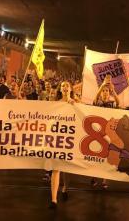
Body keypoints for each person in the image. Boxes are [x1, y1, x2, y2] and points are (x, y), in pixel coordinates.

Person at [49, 81, 74, 209]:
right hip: (57, 138)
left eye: (67, 85)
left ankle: (65, 188)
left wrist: (75, 105)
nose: (65, 87)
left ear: (70, 89)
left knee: (66, 169)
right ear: (60, 89)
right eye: (63, 85)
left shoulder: (76, 103)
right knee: (56, 167)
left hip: (71, 139)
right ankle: (54, 200)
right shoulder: (55, 104)